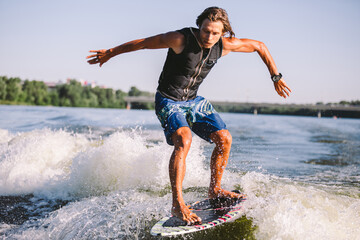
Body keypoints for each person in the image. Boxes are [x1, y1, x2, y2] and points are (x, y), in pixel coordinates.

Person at [87, 6, 291, 225]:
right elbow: (144, 42)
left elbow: (259, 46)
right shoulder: (179, 39)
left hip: (194, 101)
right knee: (184, 139)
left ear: (223, 33)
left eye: (215, 33)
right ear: (199, 27)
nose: (209, 37)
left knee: (225, 139)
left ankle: (215, 189)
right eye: (205, 31)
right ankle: (177, 204)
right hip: (168, 99)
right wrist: (110, 53)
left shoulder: (225, 45)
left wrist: (275, 77)